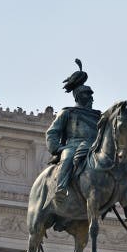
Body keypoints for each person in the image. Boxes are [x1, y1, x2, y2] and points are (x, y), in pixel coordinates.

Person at [45, 60, 101, 204]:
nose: (91, 98)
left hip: (94, 148)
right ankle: (61, 188)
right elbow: (52, 133)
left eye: (91, 95)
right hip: (73, 146)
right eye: (87, 95)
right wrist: (57, 148)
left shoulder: (98, 116)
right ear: (79, 96)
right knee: (68, 157)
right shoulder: (68, 112)